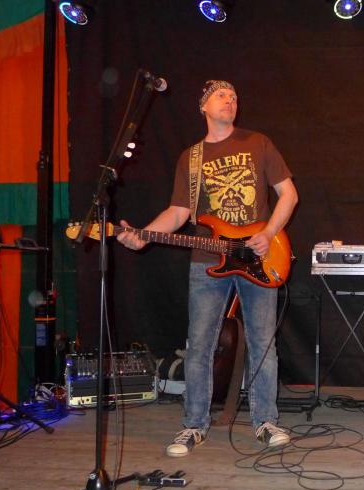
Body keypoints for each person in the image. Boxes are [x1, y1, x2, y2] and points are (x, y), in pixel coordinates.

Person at [118, 80, 298, 457]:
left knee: (263, 342)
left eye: (234, 96)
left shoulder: (258, 142)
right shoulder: (192, 157)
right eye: (221, 95)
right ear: (203, 105)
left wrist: (268, 233)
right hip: (207, 260)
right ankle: (194, 425)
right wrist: (144, 235)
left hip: (259, 256)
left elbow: (289, 194)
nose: (230, 100)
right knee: (199, 344)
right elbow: (178, 212)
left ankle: (266, 421)